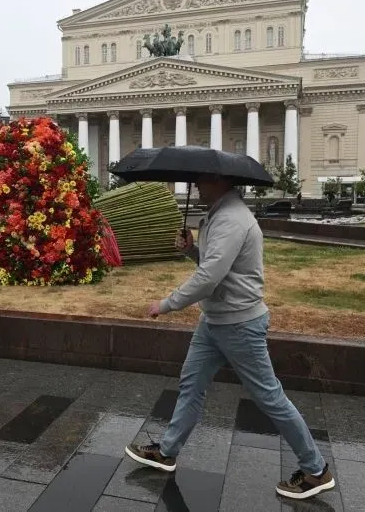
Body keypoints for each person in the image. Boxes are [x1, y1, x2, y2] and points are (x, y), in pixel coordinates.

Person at [124, 174, 335, 501]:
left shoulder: (232, 219)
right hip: (215, 320)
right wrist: (192, 249)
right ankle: (167, 451)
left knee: (269, 397)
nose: (196, 184)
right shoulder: (220, 214)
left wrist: (167, 304)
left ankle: (316, 469)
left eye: (202, 181)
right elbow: (216, 266)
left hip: (238, 324)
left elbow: (209, 278)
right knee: (191, 384)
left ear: (220, 182)